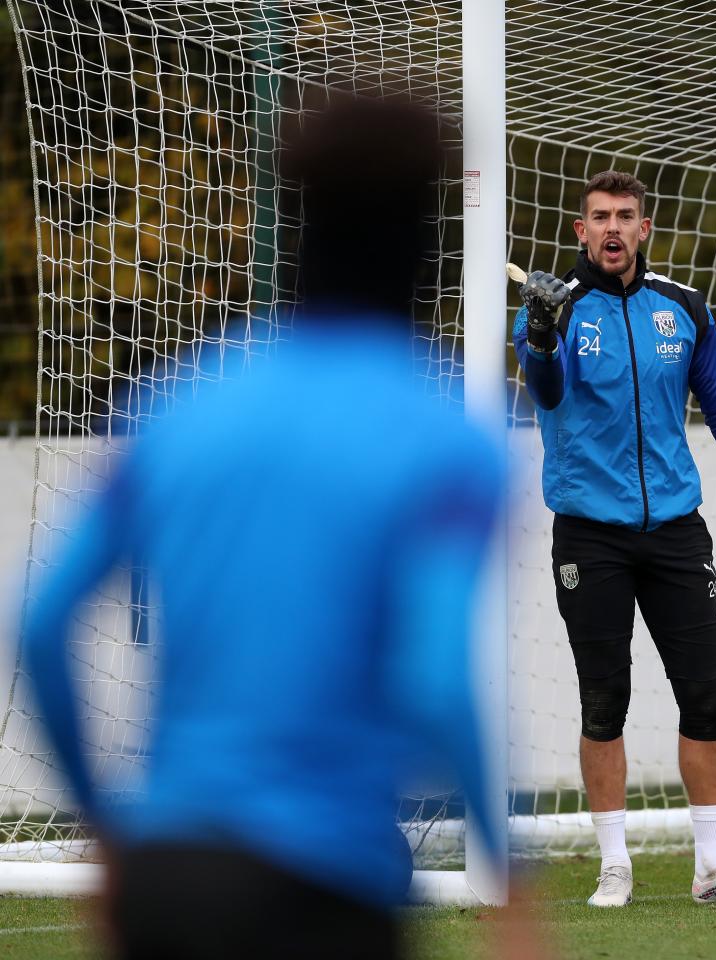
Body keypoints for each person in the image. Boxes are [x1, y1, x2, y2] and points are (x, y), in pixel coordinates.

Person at [20, 96, 504, 959]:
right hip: (326, 887)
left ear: (294, 218)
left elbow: (41, 621)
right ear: (427, 231)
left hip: (168, 875)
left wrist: (106, 830)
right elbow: (434, 676)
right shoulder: (445, 440)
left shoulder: (179, 406)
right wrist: (509, 879)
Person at [512, 171, 716, 907]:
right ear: (579, 231)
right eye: (599, 216)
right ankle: (614, 864)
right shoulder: (553, 309)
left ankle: (713, 867)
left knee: (706, 696)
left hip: (676, 531)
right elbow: (545, 389)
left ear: (644, 230)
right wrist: (540, 334)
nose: (611, 228)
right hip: (589, 535)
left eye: (625, 216)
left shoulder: (684, 309)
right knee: (604, 701)